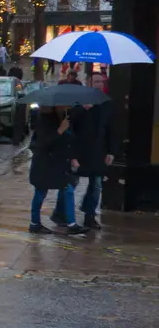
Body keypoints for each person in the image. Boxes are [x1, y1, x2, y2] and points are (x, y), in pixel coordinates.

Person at [28, 108, 83, 236]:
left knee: (68, 189)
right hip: (44, 164)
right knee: (40, 192)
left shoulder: (65, 117)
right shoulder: (44, 120)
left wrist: (73, 157)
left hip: (59, 165)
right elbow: (42, 144)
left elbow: (68, 141)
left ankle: (72, 224)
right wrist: (60, 130)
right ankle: (34, 224)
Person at [70, 101, 114, 229]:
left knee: (96, 184)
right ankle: (61, 213)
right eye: (96, 81)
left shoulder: (106, 105)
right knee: (69, 185)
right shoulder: (78, 106)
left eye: (101, 81)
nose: (99, 84)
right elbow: (70, 126)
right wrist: (82, 109)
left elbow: (110, 129)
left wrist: (111, 151)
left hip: (98, 153)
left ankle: (89, 215)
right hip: (80, 152)